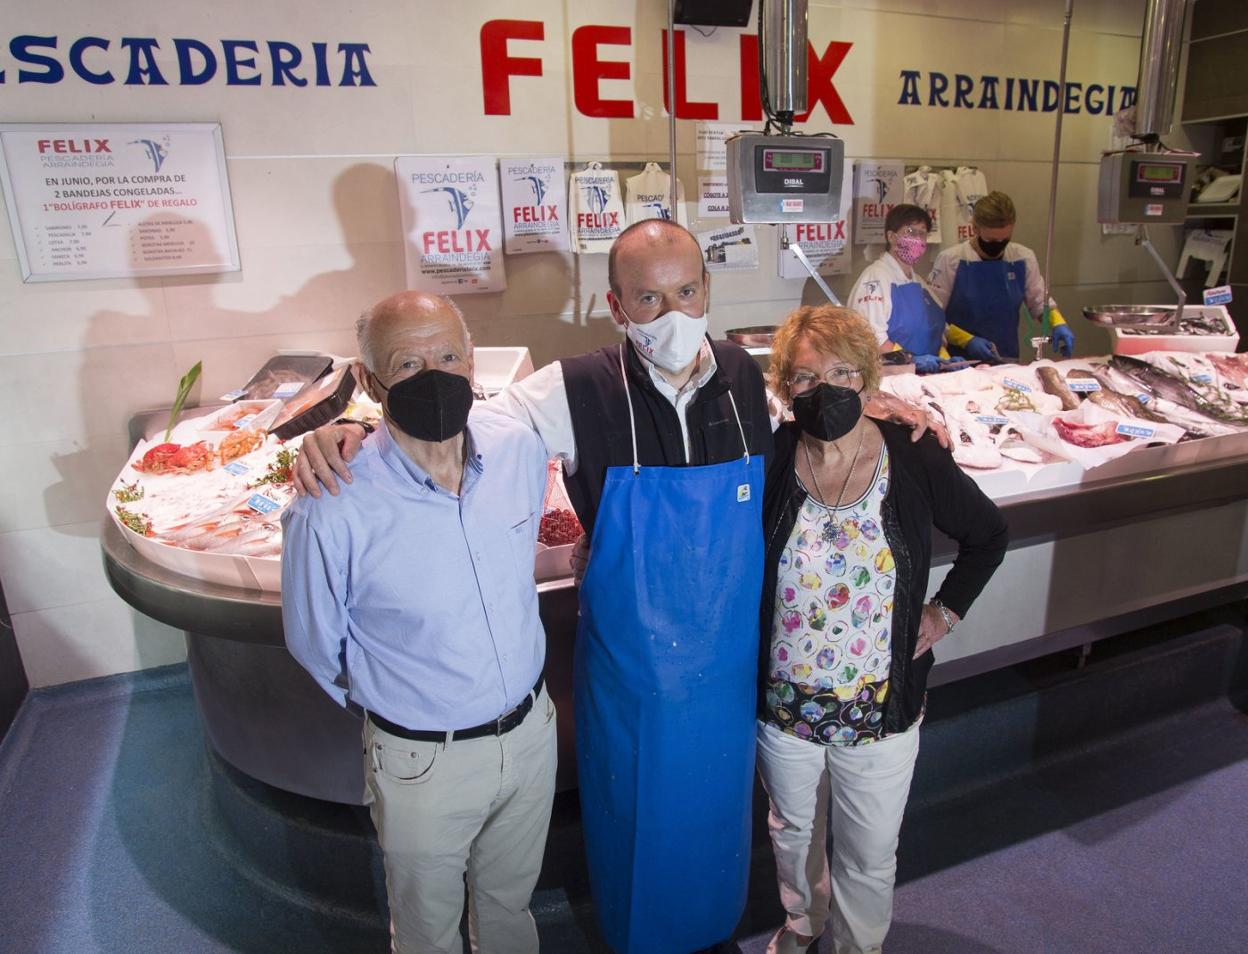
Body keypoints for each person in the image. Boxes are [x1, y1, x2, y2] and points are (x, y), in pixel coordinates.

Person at [292, 221, 943, 954]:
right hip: (630, 684)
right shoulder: (570, 389)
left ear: (707, 290)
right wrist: (351, 431)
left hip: (728, 681)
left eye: (686, 292)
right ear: (616, 305)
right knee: (635, 840)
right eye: (648, 298)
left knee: (715, 832)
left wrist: (880, 408)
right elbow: (448, 425)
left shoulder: (744, 379)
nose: (672, 313)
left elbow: (816, 414)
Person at [281, 291, 557, 954]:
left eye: (449, 357)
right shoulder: (332, 502)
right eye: (407, 364)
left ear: (472, 362)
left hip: (530, 736)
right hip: (422, 763)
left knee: (510, 908)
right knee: (427, 933)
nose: (434, 376)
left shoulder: (518, 449)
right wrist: (398, 708)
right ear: (370, 380)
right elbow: (315, 644)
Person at [757, 305, 1008, 954]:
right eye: (806, 377)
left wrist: (945, 611)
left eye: (842, 373)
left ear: (867, 379)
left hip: (882, 706)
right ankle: (803, 926)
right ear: (786, 388)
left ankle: (856, 947)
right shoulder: (771, 457)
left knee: (867, 852)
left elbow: (988, 535)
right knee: (792, 833)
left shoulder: (913, 455)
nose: (825, 390)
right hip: (784, 708)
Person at [928, 190, 1075, 361]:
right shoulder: (950, 260)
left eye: (1004, 240)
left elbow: (1039, 302)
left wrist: (1058, 323)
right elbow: (931, 315)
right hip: (958, 361)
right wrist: (965, 340)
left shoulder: (1022, 258)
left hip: (1005, 358)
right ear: (975, 228)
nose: (997, 246)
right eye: (990, 241)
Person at [847, 205, 964, 375]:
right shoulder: (875, 278)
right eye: (910, 231)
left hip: (924, 378)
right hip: (891, 380)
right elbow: (871, 338)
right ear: (891, 237)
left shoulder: (919, 282)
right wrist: (911, 359)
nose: (917, 238)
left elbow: (936, 326)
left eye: (922, 233)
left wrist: (963, 343)